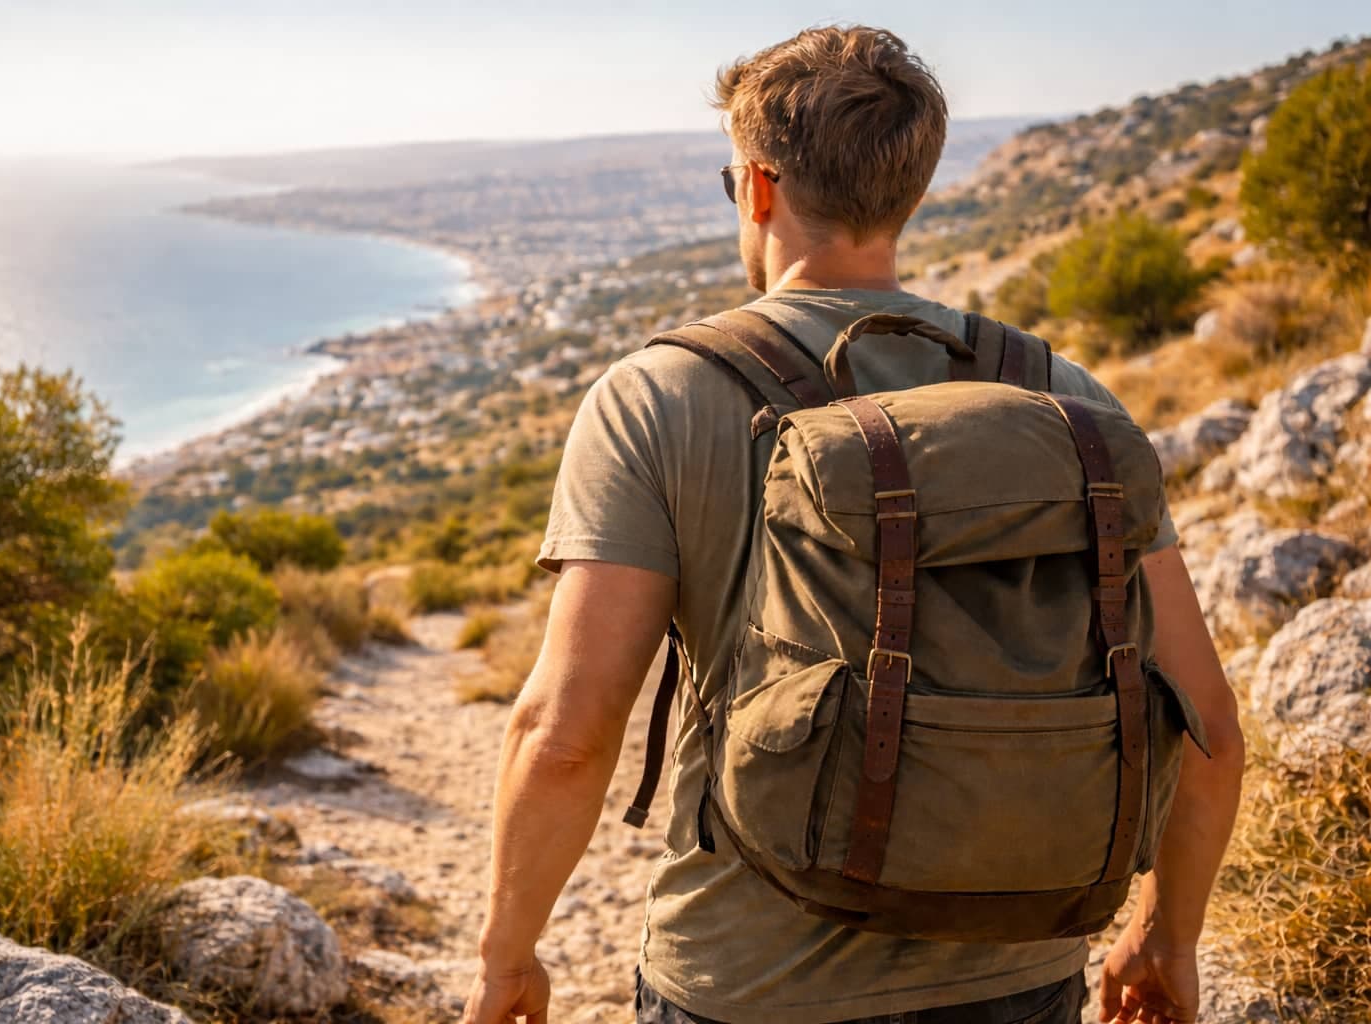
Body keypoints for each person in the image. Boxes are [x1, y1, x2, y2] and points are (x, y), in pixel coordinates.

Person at [460, 24, 1245, 1024]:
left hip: (746, 981)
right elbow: (1210, 725)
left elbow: (567, 734)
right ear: (907, 190)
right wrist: (1165, 935)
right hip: (1016, 973)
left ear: (756, 186)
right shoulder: (1064, 398)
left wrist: (507, 954)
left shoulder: (661, 396)